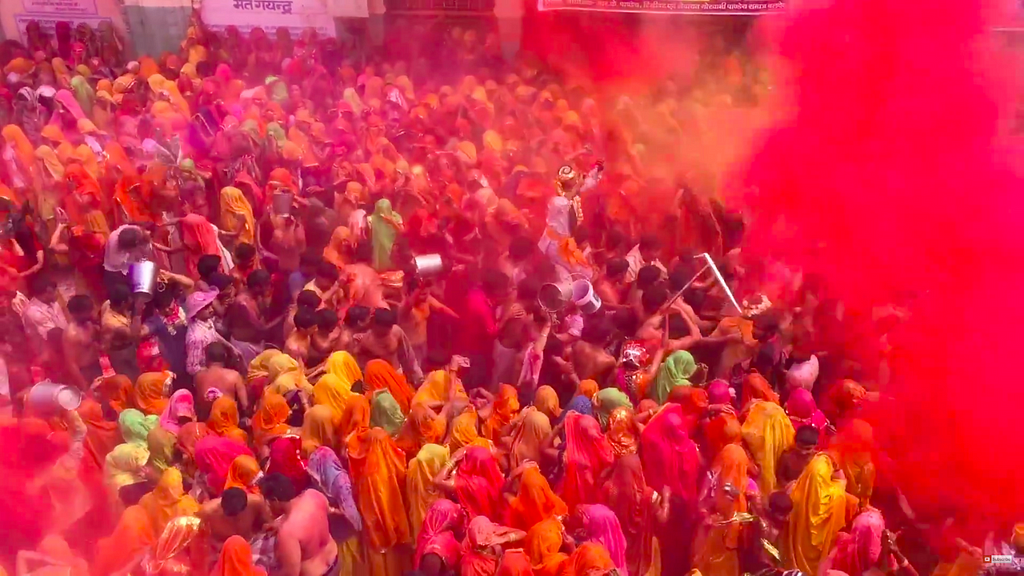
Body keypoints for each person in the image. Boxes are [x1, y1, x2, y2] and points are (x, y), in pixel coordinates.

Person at [261, 471, 340, 576]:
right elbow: (327, 511)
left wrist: (266, 573)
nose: (268, 507)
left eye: (268, 503)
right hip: (335, 560)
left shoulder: (287, 532)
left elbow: (290, 572)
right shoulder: (313, 495)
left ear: (275, 500)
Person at [198, 486, 274, 553]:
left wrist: (266, 528)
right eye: (230, 516)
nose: (233, 520)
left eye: (237, 516)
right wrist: (221, 548)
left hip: (251, 546)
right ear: (221, 507)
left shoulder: (256, 503)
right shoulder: (207, 513)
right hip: (223, 553)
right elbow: (202, 540)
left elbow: (270, 525)